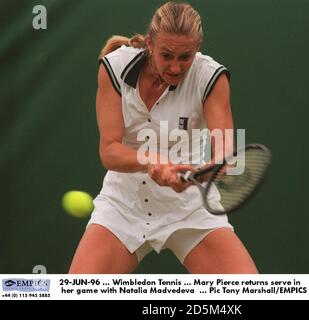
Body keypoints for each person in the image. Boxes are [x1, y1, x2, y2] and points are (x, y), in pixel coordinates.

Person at [69, 1, 258, 274]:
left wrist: (199, 173)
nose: (175, 67)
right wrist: (152, 161)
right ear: (149, 44)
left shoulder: (212, 78)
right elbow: (109, 151)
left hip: (190, 208)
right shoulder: (113, 68)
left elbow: (226, 156)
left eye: (186, 57)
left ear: (197, 50)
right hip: (123, 206)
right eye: (167, 55)